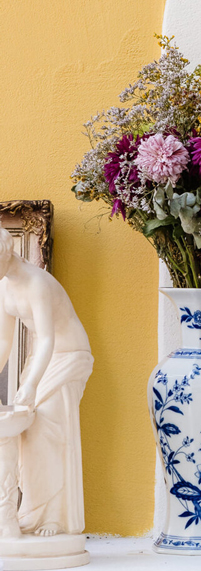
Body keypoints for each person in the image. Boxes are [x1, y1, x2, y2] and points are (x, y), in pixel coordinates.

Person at [0, 227, 92, 537]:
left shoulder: (36, 282)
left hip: (69, 355)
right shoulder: (4, 288)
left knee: (49, 432)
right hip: (42, 359)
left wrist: (31, 384)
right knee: (28, 433)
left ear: (5, 254)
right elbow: (4, 341)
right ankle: (33, 513)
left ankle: (55, 517)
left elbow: (48, 339)